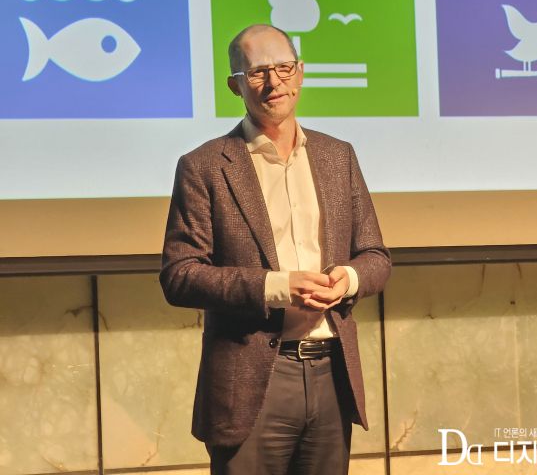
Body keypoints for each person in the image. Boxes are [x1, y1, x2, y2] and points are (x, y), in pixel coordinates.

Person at [159, 24, 391, 475]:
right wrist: (277, 287)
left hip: (331, 374)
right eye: (258, 72)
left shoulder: (338, 156)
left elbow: (375, 256)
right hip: (251, 383)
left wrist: (348, 280)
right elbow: (180, 275)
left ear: (300, 72)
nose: (274, 82)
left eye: (284, 68)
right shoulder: (204, 166)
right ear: (236, 85)